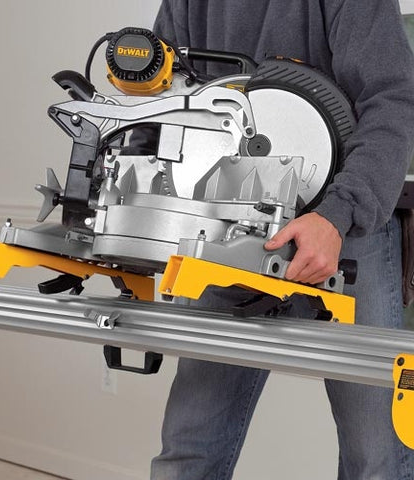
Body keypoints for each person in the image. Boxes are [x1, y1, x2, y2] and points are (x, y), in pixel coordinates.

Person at [146, 1, 414, 479]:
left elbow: (392, 98)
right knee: (189, 446)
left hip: (344, 228)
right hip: (232, 223)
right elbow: (166, 97)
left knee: (377, 459)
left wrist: (337, 216)